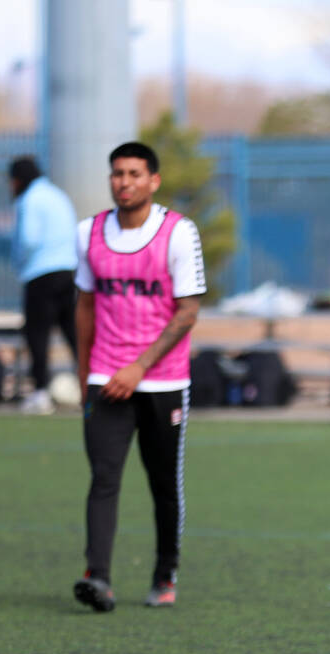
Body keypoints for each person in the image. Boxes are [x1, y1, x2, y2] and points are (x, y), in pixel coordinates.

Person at [72, 141, 206, 612]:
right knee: (103, 477)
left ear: (153, 181)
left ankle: (165, 572)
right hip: (106, 378)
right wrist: (84, 373)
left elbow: (188, 312)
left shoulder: (177, 233)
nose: (123, 182)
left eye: (133, 173)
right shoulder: (88, 232)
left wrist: (140, 367)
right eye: (116, 174)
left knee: (162, 482)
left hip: (161, 380)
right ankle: (99, 578)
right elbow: (86, 305)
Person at [8, 156, 80, 414]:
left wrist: (18, 262)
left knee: (37, 335)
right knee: (74, 333)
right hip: (69, 272)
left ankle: (40, 391)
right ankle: (91, 387)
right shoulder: (58, 195)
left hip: (41, 274)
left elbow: (28, 239)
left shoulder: (29, 199)